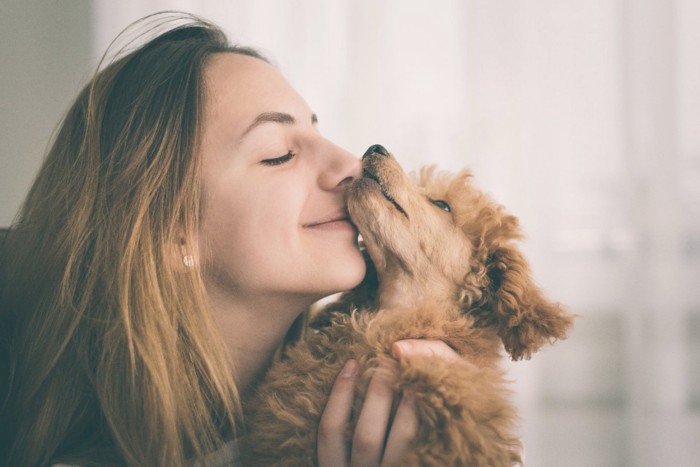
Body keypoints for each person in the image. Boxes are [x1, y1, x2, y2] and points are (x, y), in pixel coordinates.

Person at [0, 12, 461, 466]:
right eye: (279, 155)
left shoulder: (396, 391)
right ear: (172, 233)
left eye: (318, 130)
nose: (350, 163)